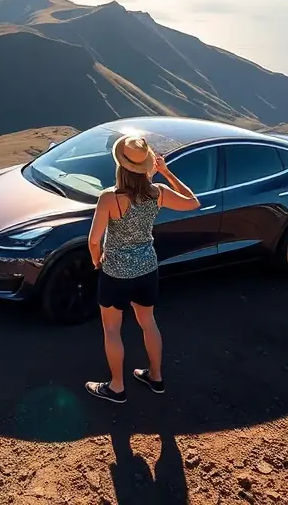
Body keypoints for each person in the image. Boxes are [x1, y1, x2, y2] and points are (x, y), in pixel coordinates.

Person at [85, 135, 200, 403]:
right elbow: (193, 202)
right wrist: (167, 172)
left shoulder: (109, 198)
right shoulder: (158, 193)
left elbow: (93, 240)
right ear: (147, 165)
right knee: (148, 322)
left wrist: (96, 260)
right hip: (147, 269)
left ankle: (116, 387)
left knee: (112, 330)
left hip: (115, 273)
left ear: (120, 167)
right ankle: (155, 377)